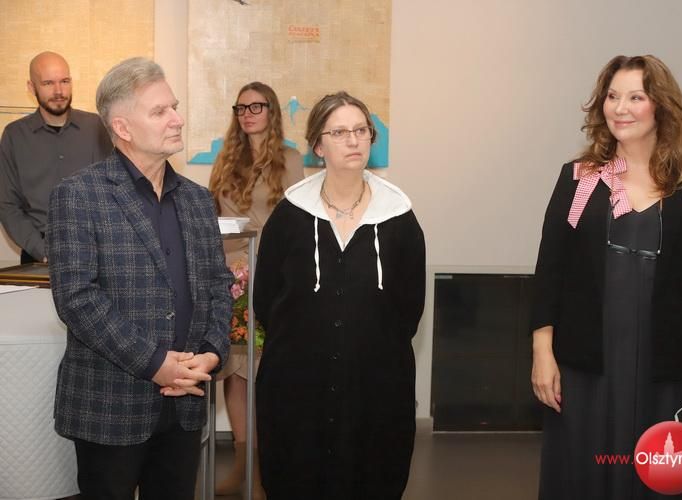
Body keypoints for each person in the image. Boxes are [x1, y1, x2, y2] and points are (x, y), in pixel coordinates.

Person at [530, 55, 682, 500]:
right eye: (613, 96)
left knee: (660, 476)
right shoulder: (580, 179)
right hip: (586, 360)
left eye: (635, 97)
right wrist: (542, 353)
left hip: (665, 363)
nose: (620, 108)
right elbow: (550, 270)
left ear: (661, 106)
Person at [45, 57, 233, 499]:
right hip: (110, 405)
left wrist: (211, 353)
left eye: (175, 107)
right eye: (160, 111)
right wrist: (156, 364)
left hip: (185, 404)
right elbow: (77, 299)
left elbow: (218, 286)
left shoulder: (197, 200)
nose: (177, 119)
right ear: (123, 127)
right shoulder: (78, 195)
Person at [253, 91, 426, 499]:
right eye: (340, 132)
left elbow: (409, 308)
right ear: (318, 145)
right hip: (297, 387)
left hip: (376, 388)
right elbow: (266, 299)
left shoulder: (400, 217)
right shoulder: (289, 215)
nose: (353, 140)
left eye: (361, 131)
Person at [208, 81, 304, 497]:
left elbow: (297, 222)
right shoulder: (226, 158)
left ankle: (267, 471)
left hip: (271, 280)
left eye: (256, 106)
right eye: (241, 108)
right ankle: (243, 467)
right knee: (234, 374)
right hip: (230, 279)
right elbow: (213, 216)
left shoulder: (290, 159)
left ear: (272, 111)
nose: (247, 114)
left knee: (265, 375)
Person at [0, 51, 111, 263]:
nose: (59, 91)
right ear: (31, 87)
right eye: (48, 83)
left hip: (95, 251)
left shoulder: (96, 126)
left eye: (65, 81)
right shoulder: (14, 135)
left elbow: (113, 190)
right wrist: (42, 250)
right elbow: (7, 205)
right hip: (39, 254)